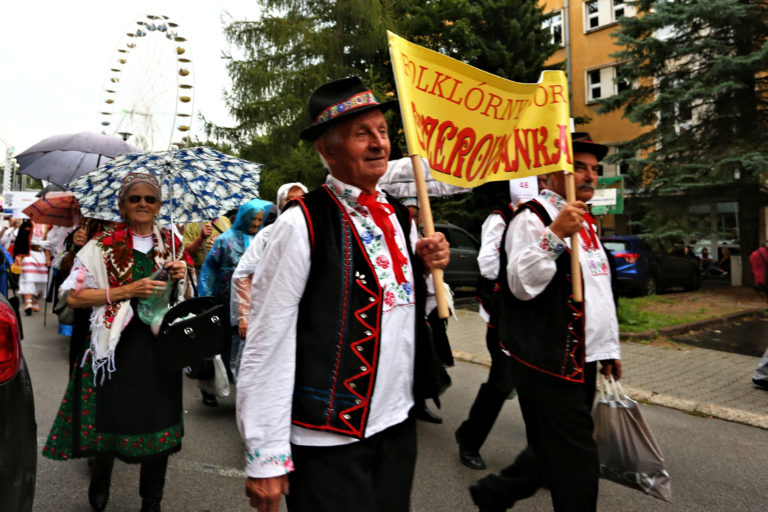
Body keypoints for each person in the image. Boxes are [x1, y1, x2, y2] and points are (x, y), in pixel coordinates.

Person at [236, 76, 450, 512]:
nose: (379, 144)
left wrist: (425, 267)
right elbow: (266, 343)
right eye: (361, 134)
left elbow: (403, 311)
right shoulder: (300, 225)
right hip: (328, 438)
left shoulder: (398, 215)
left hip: (396, 425)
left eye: (383, 132)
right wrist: (265, 458)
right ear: (327, 151)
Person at [469, 133, 622, 512]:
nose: (589, 176)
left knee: (550, 448)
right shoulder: (532, 217)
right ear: (551, 173)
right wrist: (555, 235)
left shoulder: (585, 221)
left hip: (583, 358)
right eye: (579, 168)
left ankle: (495, 493)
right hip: (548, 359)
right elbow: (520, 285)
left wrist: (608, 349)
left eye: (593, 170)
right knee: (577, 461)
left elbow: (599, 291)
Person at [42, 172, 192, 512]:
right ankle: (100, 484)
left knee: (158, 419)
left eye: (150, 199)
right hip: (115, 349)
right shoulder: (100, 247)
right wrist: (127, 291)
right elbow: (73, 298)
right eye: (134, 198)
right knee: (111, 418)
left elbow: (181, 300)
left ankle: (151, 501)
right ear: (121, 206)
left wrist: (183, 276)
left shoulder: (172, 243)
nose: (142, 204)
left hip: (160, 348)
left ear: (159, 206)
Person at [455, 202, 517, 470]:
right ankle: (469, 439)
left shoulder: (556, 213)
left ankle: (543, 460)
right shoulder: (501, 216)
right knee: (502, 382)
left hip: (544, 316)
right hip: (508, 312)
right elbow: (488, 266)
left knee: (537, 388)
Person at [198, 198, 274, 401]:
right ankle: (210, 387)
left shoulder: (263, 239)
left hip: (250, 297)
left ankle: (243, 388)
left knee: (245, 343)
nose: (257, 224)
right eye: (253, 220)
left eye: (260, 220)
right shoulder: (226, 239)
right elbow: (209, 268)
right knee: (220, 342)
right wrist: (205, 298)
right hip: (224, 296)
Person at [230, 182, 308, 380]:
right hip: (271, 313)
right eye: (290, 201)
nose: (297, 205)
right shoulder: (268, 235)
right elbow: (242, 274)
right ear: (281, 205)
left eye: (301, 200)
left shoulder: (314, 233)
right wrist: (244, 316)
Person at [13, 219, 51, 314]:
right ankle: (28, 303)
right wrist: (18, 255)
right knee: (28, 278)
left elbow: (48, 245)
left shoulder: (48, 226)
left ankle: (35, 301)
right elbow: (20, 239)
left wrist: (48, 259)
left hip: (41, 255)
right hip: (28, 255)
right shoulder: (26, 224)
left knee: (41, 281)